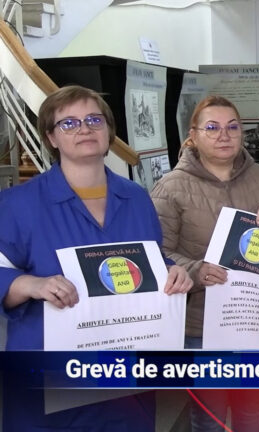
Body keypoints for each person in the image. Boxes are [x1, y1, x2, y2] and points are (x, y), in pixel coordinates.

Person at [0, 85, 192, 431]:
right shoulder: (18, 204)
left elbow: (150, 260)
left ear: (108, 130)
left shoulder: (136, 198)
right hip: (49, 379)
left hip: (123, 374)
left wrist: (172, 272)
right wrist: (29, 284)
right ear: (51, 137)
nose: (84, 129)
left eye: (94, 120)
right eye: (69, 123)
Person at [151, 95, 259, 432]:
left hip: (253, 318)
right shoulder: (171, 187)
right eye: (212, 128)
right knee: (209, 418)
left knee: (252, 413)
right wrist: (196, 270)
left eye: (232, 127)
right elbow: (157, 253)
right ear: (193, 135)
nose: (224, 135)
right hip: (200, 324)